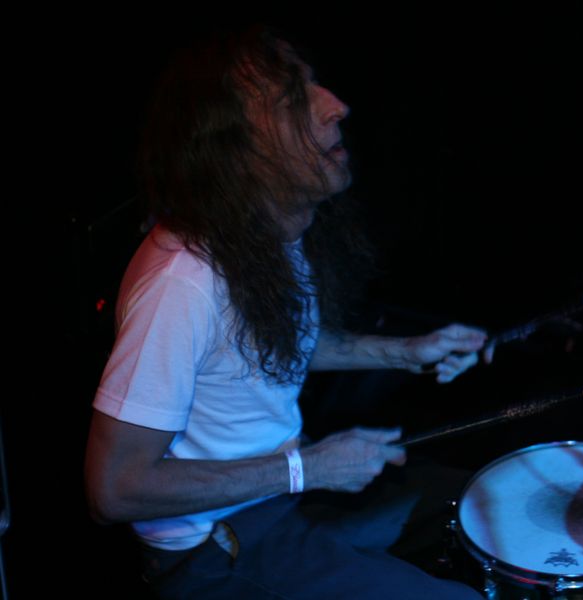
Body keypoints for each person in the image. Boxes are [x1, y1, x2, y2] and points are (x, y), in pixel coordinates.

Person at [84, 25, 489, 599]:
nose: (336, 106)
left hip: (278, 498)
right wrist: (311, 468)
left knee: (485, 505)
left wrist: (405, 352)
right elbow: (114, 490)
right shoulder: (183, 283)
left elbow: (264, 347)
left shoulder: (259, 232)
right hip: (213, 550)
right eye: (292, 101)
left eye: (314, 85)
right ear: (237, 150)